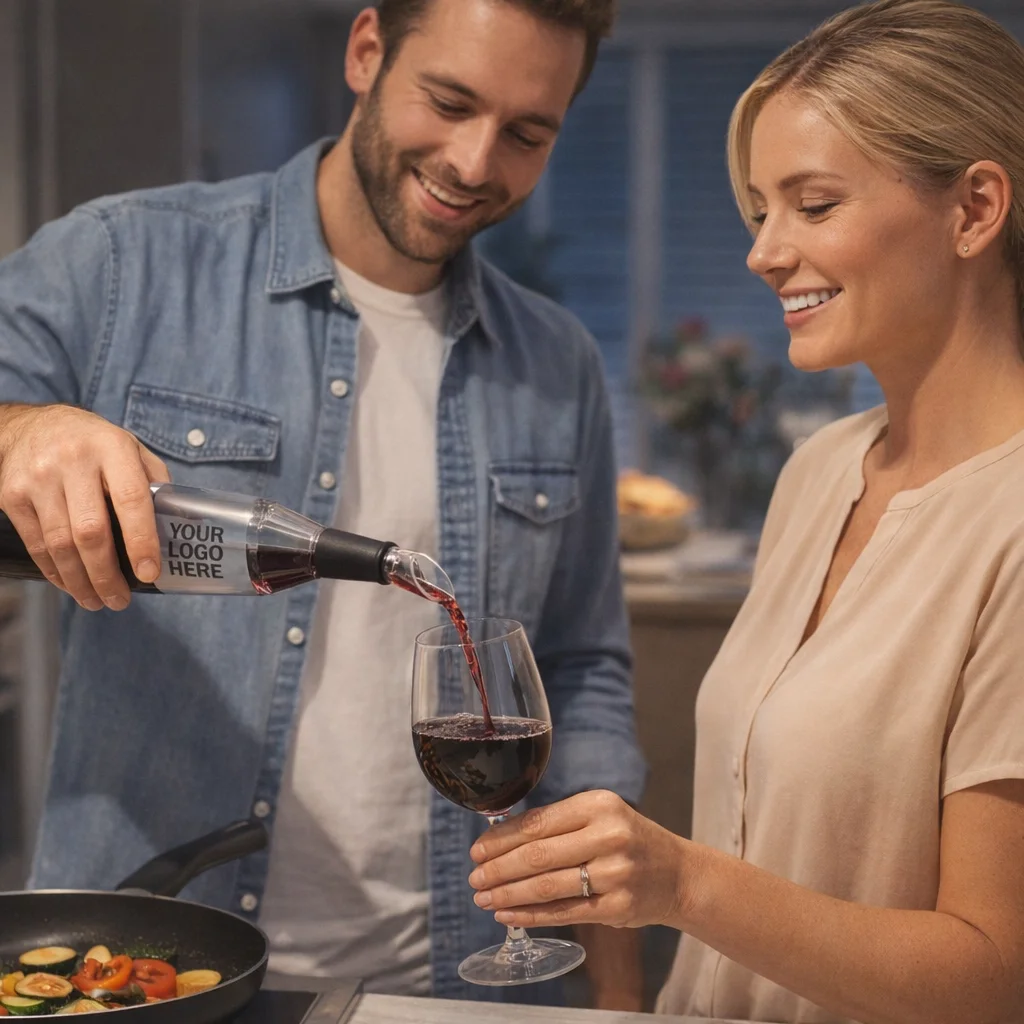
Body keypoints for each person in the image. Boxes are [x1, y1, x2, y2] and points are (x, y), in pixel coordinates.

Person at [0, 0, 646, 1006]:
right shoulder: (128, 263)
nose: (476, 162)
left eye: (526, 133)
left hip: (456, 983)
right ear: (364, 51)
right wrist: (20, 429)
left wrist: (614, 979)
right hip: (149, 970)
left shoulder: (555, 364)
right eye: (449, 101)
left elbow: (582, 664)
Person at [465, 1, 1024, 1020]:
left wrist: (681, 886)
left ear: (974, 208)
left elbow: (993, 975)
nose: (764, 252)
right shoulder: (819, 470)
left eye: (811, 205)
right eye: (759, 210)